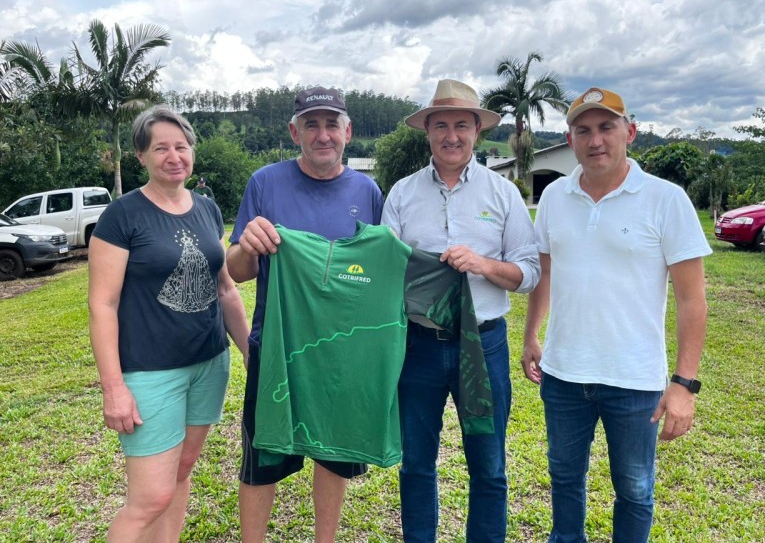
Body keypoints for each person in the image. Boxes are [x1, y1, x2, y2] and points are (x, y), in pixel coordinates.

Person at [522, 87, 712, 541]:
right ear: (570, 140)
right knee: (565, 482)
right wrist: (531, 335)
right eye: (583, 130)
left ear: (630, 132)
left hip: (635, 380)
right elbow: (546, 273)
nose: (595, 140)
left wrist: (684, 384)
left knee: (634, 490)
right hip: (564, 374)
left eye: (606, 127)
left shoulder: (666, 200)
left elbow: (692, 299)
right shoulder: (554, 198)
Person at [382, 78, 540, 542]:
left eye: (462, 126)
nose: (452, 136)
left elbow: (529, 273)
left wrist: (483, 264)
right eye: (442, 126)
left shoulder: (503, 194)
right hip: (417, 345)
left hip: (484, 345)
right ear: (427, 132)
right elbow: (384, 270)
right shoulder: (402, 194)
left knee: (489, 464)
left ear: (477, 132)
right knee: (415, 463)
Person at [226, 86, 384, 543]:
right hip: (277, 344)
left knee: (332, 453)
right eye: (311, 125)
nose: (322, 135)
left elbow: (373, 275)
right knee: (263, 456)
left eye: (331, 124)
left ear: (348, 132)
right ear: (294, 132)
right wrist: (249, 246)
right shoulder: (265, 183)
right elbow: (235, 270)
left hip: (341, 350)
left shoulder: (367, 191)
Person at [88, 105, 250, 541]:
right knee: (149, 499)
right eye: (161, 148)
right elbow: (103, 304)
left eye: (181, 146)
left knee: (181, 472)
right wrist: (114, 389)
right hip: (149, 372)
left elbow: (226, 289)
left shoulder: (208, 209)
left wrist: (250, 352)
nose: (174, 156)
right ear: (141, 155)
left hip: (208, 364)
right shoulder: (122, 216)